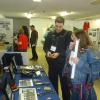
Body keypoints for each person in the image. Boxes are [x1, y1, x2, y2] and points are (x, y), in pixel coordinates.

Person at [63, 30, 99, 100]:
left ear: (80, 39)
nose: (72, 40)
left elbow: (95, 72)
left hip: (84, 87)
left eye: (74, 38)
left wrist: (80, 62)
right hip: (74, 84)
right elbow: (68, 59)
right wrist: (69, 50)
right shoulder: (76, 47)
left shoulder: (91, 51)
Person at [43, 16, 72, 100]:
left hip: (63, 65)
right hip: (52, 64)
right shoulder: (49, 34)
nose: (58, 28)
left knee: (65, 87)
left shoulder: (68, 34)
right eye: (56, 26)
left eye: (60, 26)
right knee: (52, 85)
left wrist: (59, 53)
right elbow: (45, 46)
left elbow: (69, 49)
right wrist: (47, 51)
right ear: (54, 24)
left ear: (63, 25)